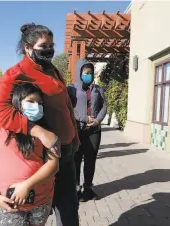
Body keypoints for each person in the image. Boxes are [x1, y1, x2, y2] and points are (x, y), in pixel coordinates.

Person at [0, 23, 80, 226]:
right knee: (39, 209)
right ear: (28, 48)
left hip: (65, 150)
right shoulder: (17, 72)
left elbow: (65, 105)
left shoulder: (52, 70)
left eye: (51, 45)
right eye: (43, 46)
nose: (49, 50)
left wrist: (74, 137)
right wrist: (38, 131)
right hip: (43, 153)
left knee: (69, 206)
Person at [0, 82, 59, 226]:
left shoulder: (45, 133)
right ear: (17, 103)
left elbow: (53, 165)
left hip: (41, 201)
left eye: (39, 103)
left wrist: (26, 185)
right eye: (30, 101)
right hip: (10, 204)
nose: (36, 106)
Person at [67, 59, 107, 202]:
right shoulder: (71, 89)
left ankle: (88, 188)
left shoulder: (98, 89)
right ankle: (76, 189)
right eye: (86, 73)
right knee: (76, 160)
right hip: (77, 130)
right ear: (79, 73)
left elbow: (104, 106)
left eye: (91, 73)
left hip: (94, 131)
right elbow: (68, 108)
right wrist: (84, 118)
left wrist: (97, 120)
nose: (89, 75)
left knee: (90, 160)